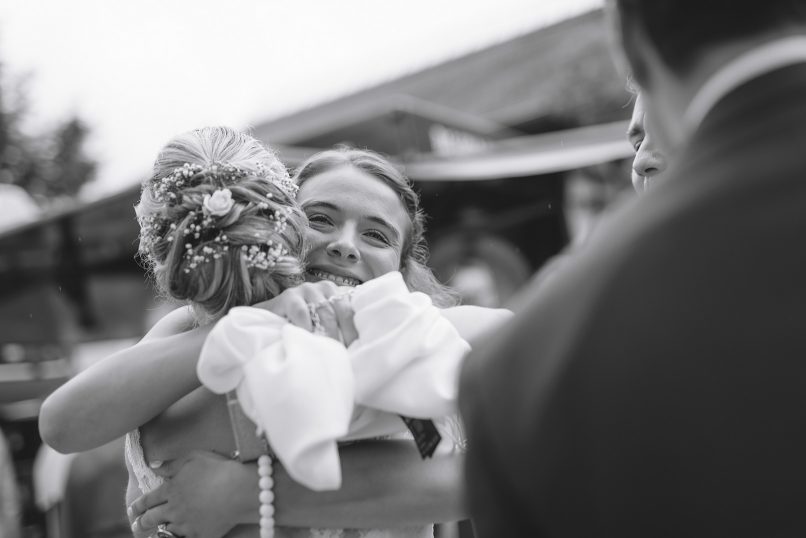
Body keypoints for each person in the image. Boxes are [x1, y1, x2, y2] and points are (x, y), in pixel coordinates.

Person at [40, 140, 510, 537]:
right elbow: (64, 425)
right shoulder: (196, 329)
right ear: (274, 228)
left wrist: (246, 495)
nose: (346, 244)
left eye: (376, 235)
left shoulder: (417, 334)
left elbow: (478, 477)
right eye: (322, 219)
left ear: (400, 270)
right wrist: (257, 323)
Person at [459, 0, 806, 536]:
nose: (642, 157)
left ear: (637, 46)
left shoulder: (525, 366)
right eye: (633, 140)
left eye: (652, 132)